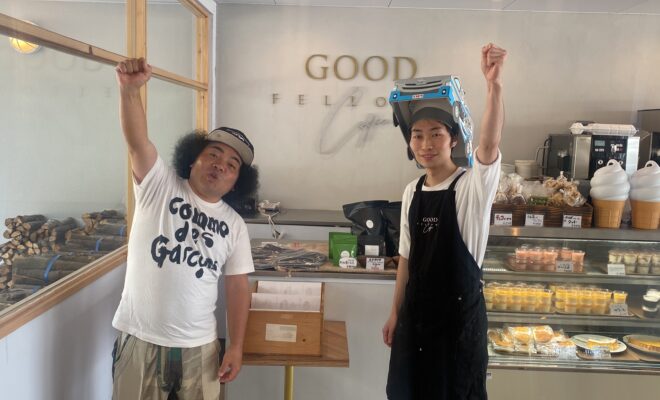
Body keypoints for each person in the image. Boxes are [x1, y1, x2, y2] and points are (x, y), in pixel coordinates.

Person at [111, 57, 258, 400]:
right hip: (140, 339)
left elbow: (238, 287)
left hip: (200, 348)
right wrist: (130, 92)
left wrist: (236, 346)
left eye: (232, 165)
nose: (220, 165)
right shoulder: (159, 185)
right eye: (214, 154)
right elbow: (137, 142)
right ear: (193, 158)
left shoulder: (234, 225)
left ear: (237, 181)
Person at [382, 43, 507, 399]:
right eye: (417, 135)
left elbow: (489, 145)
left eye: (436, 133)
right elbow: (406, 259)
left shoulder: (472, 186)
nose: (426, 143)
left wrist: (494, 86)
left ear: (453, 139)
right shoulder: (412, 191)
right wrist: (395, 313)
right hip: (416, 321)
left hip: (458, 327)